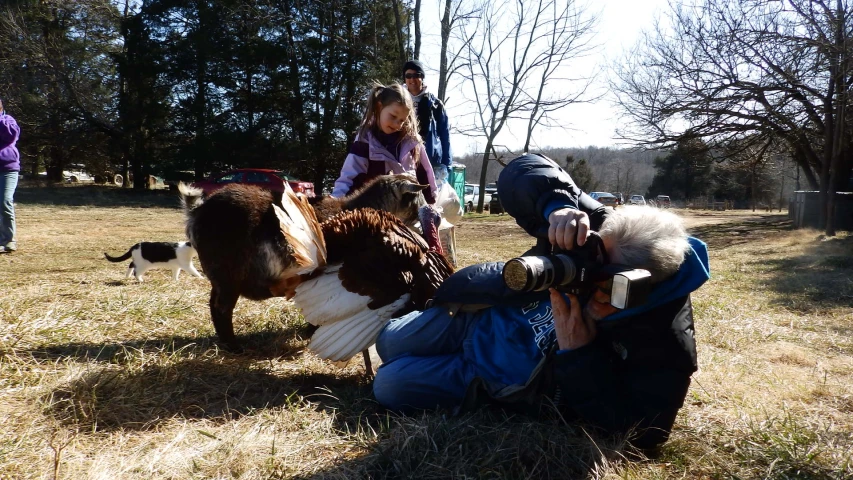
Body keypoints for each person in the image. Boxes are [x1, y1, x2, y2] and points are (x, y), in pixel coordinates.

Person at [372, 153, 711, 450]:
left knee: (388, 384)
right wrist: (558, 206)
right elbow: (523, 169)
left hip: (488, 375)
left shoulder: (666, 338)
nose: (588, 276)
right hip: (480, 318)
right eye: (592, 257)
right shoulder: (606, 232)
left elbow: (645, 432)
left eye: (606, 278)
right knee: (388, 340)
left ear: (641, 285)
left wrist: (580, 355)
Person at [332, 83, 438, 204]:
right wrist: (337, 202)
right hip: (376, 210)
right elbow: (349, 176)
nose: (397, 124)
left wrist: (431, 202)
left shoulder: (412, 143)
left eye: (402, 120)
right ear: (379, 107)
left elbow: (425, 174)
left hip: (408, 209)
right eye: (393, 116)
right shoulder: (365, 141)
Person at [402, 60, 452, 185]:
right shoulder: (397, 101)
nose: (412, 79)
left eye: (416, 75)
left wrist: (447, 165)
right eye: (408, 76)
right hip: (402, 162)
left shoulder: (436, 105)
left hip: (430, 164)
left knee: (429, 201)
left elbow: (445, 137)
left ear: (422, 77)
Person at [0, 98, 20, 254]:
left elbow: (11, 136)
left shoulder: (8, 120)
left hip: (8, 169)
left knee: (4, 201)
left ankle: (9, 240)